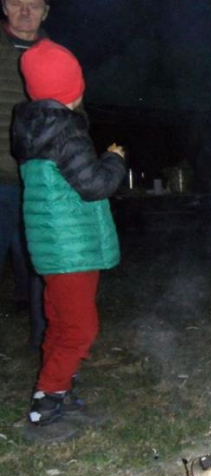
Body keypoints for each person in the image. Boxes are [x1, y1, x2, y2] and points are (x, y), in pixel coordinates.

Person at [13, 40, 127, 442]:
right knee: (79, 328)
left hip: (54, 246)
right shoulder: (64, 131)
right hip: (70, 248)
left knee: (60, 322)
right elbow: (95, 186)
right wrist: (114, 159)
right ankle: (47, 404)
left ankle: (57, 393)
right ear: (72, 89)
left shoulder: (34, 129)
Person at [0, 0, 48, 350]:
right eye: (17, 3)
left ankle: (43, 340)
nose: (25, 11)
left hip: (39, 182)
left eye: (34, 5)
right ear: (4, 6)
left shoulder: (56, 55)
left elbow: (76, 112)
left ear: (46, 10)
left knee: (40, 265)